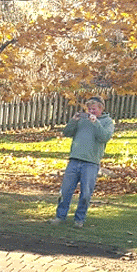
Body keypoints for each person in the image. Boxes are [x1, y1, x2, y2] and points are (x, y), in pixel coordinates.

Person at [50, 96, 114, 228]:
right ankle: (60, 216)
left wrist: (96, 122)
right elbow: (67, 132)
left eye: (94, 109)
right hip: (74, 159)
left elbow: (104, 137)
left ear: (101, 109)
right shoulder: (82, 120)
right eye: (89, 109)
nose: (91, 111)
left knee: (85, 193)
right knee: (66, 190)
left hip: (91, 162)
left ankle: (79, 219)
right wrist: (74, 121)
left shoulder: (107, 122)